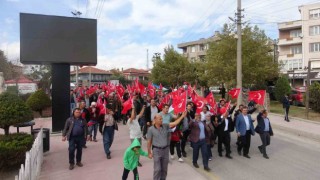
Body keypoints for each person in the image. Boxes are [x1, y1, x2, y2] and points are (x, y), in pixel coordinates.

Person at [147, 111, 187, 180]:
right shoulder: (151, 129)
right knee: (157, 169)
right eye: (160, 119)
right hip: (156, 150)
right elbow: (149, 141)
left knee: (164, 169)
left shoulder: (165, 125)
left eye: (162, 119)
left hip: (165, 150)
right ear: (155, 119)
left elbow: (175, 123)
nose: (161, 120)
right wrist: (149, 153)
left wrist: (182, 116)